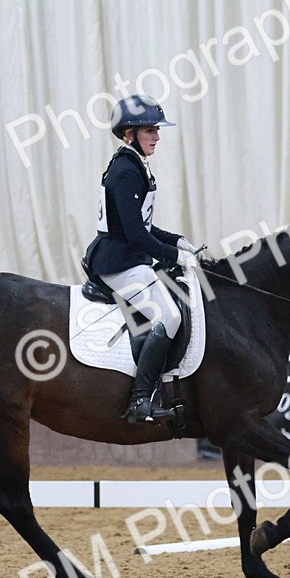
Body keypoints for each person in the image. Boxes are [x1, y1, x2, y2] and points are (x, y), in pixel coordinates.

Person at [83, 94, 202, 423]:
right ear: (129, 133)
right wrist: (174, 256)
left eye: (156, 130)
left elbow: (142, 225)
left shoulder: (134, 165)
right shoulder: (126, 171)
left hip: (129, 256)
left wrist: (177, 240)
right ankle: (140, 400)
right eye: (150, 130)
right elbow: (135, 235)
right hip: (119, 262)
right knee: (171, 317)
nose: (157, 137)